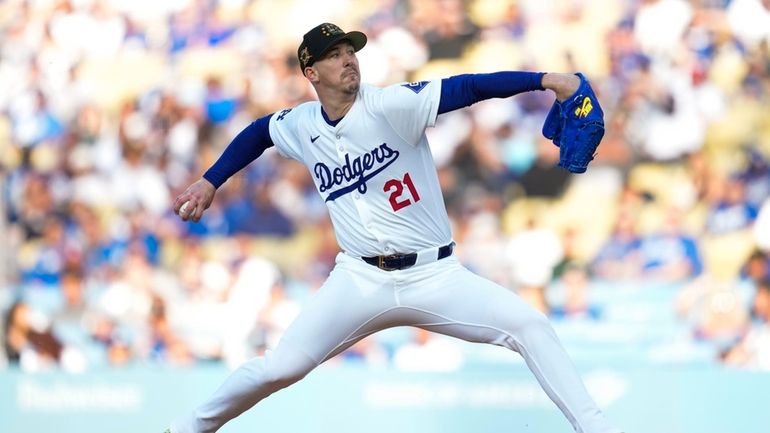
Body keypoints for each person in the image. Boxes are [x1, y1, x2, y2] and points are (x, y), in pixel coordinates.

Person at [167, 22, 622, 433]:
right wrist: (211, 180)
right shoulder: (302, 124)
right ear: (312, 73)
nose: (347, 59)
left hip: (435, 275)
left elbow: (468, 87)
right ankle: (187, 429)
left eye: (351, 51)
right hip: (359, 279)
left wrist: (548, 80)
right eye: (333, 55)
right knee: (279, 368)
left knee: (529, 325)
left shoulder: (389, 105)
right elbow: (260, 132)